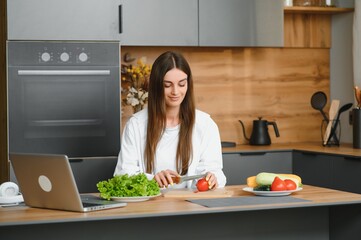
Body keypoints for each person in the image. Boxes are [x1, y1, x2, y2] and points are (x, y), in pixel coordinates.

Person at [114, 51, 226, 189]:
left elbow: (215, 172)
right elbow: (122, 175)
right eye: (167, 85)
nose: (175, 92)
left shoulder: (206, 125)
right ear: (156, 86)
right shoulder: (136, 125)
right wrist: (152, 180)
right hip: (150, 206)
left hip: (191, 206)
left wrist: (212, 178)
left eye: (181, 84)